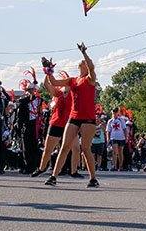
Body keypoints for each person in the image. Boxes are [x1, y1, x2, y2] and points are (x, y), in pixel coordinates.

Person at [43, 42, 99, 188]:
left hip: (88, 118)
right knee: (65, 146)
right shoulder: (72, 80)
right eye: (82, 62)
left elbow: (92, 67)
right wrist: (48, 70)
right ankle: (53, 176)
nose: (83, 63)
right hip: (74, 116)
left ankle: (93, 178)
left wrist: (84, 53)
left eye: (85, 63)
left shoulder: (90, 79)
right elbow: (54, 82)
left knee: (85, 148)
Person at [32, 62, 71, 177]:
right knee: (48, 149)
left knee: (68, 149)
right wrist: (48, 70)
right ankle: (41, 168)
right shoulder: (58, 93)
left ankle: (69, 170)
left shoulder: (73, 94)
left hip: (68, 125)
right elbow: (46, 83)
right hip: (55, 123)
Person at [107, 107, 128, 172]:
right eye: (113, 113)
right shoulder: (110, 121)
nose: (114, 114)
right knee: (114, 152)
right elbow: (108, 131)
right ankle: (114, 166)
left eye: (115, 112)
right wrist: (108, 138)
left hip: (121, 137)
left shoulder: (121, 120)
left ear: (117, 113)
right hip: (113, 137)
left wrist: (126, 137)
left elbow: (125, 129)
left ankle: (121, 166)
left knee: (120, 152)